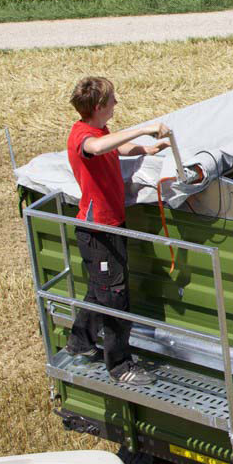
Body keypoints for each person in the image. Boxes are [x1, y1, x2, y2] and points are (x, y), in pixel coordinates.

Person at [65, 76, 170, 386]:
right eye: (112, 99)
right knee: (115, 297)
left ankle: (80, 343)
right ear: (99, 106)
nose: (116, 103)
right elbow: (97, 147)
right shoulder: (83, 136)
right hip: (100, 231)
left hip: (108, 225)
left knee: (100, 290)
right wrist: (144, 128)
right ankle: (120, 366)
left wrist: (146, 149)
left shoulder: (99, 129)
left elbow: (115, 146)